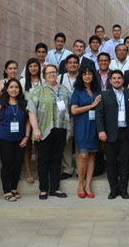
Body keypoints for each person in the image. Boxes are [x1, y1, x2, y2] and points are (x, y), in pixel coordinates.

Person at [27, 64, 72, 200]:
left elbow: (70, 110)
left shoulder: (64, 90)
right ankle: (43, 189)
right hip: (44, 130)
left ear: (57, 74)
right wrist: (35, 129)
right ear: (44, 75)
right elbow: (32, 110)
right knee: (43, 160)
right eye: (49, 72)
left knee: (57, 159)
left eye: (54, 72)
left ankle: (55, 189)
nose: (52, 74)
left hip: (61, 128)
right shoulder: (38, 90)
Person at [96, 70, 129, 199]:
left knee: (125, 162)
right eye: (114, 78)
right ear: (110, 80)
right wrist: (101, 131)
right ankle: (113, 189)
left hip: (126, 132)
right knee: (111, 162)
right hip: (110, 134)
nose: (116, 80)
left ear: (123, 80)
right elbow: (99, 115)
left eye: (119, 78)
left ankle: (123, 189)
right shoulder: (104, 94)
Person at [0, 78, 30, 202]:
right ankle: (6, 190)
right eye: (11, 87)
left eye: (17, 87)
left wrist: (27, 136)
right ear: (7, 89)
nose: (14, 90)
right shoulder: (1, 104)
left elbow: (28, 121)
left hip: (20, 139)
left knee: (18, 164)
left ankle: (14, 188)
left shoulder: (23, 104)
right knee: (7, 165)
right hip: (4, 138)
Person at [70, 66, 102, 198]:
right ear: (81, 76)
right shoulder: (77, 91)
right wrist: (91, 106)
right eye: (85, 74)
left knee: (92, 156)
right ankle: (80, 184)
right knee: (83, 156)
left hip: (94, 126)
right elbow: (74, 110)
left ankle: (88, 185)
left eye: (90, 74)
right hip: (82, 126)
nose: (87, 76)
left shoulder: (96, 91)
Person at [20, 58, 44, 184]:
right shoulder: (23, 82)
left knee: (39, 146)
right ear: (27, 68)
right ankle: (28, 171)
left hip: (41, 117)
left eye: (35, 66)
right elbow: (19, 98)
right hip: (26, 117)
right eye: (31, 66)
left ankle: (41, 171)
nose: (33, 68)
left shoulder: (43, 81)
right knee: (27, 144)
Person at [57, 54, 80, 180]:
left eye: (75, 62)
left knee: (78, 140)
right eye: (70, 62)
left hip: (79, 113)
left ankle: (79, 167)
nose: (72, 64)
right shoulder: (60, 78)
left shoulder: (82, 78)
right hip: (63, 114)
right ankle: (67, 168)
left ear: (78, 65)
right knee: (66, 141)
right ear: (66, 65)